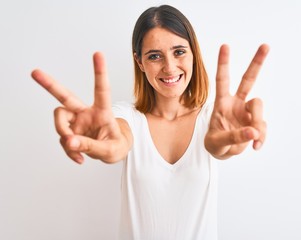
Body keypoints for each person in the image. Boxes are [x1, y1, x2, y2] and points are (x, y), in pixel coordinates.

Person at [31, 4, 269, 240]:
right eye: (155, 56)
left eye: (179, 52)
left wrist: (235, 140)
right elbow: (117, 143)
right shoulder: (127, 118)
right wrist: (102, 144)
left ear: (193, 54)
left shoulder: (213, 119)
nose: (169, 67)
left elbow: (221, 146)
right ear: (139, 62)